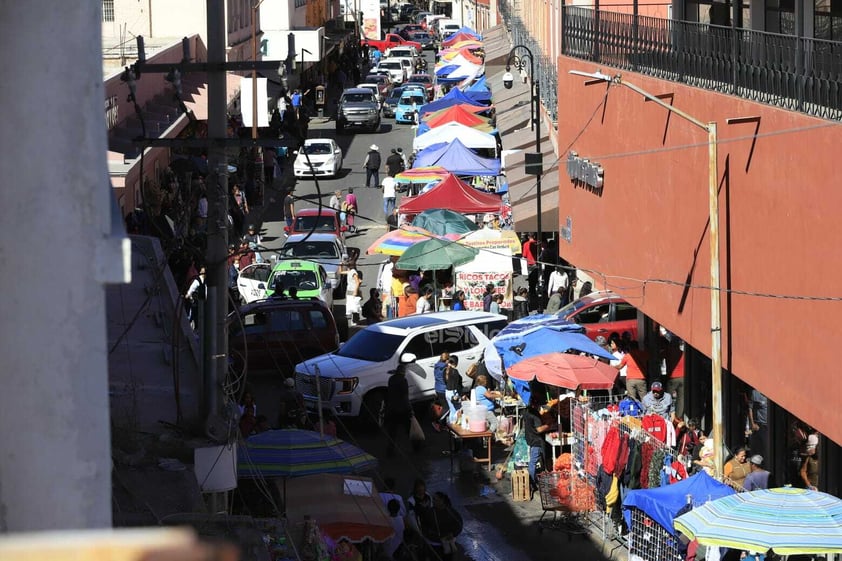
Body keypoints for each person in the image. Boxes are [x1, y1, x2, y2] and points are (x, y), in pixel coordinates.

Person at [418, 492, 462, 561]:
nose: (433, 501)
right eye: (433, 499)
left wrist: (453, 534)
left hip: (447, 544)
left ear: (442, 500)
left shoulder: (451, 511)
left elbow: (459, 525)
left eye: (435, 499)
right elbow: (424, 527)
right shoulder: (429, 512)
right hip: (436, 545)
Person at [524, 395, 552, 498]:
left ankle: (534, 480)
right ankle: (531, 483)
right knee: (534, 461)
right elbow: (539, 429)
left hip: (530, 439)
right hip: (536, 440)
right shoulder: (534, 415)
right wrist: (548, 425)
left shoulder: (526, 411)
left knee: (534, 460)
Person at [385, 358, 413, 457]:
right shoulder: (403, 380)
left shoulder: (391, 379)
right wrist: (410, 409)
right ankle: (415, 446)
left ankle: (390, 451)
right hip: (402, 409)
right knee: (409, 429)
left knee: (392, 431)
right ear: (403, 372)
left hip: (392, 408)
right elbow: (405, 396)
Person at [444, 356, 463, 424]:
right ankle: (454, 426)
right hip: (454, 393)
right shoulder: (455, 371)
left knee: (452, 410)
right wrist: (461, 394)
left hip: (447, 392)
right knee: (458, 410)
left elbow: (445, 381)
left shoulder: (445, 370)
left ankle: (450, 425)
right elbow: (457, 385)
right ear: (456, 363)